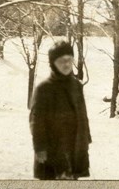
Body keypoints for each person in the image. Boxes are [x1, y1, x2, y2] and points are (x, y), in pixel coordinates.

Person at [29, 40, 92, 180]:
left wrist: (85, 140)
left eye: (69, 60)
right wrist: (40, 148)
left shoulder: (76, 86)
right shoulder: (44, 89)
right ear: (53, 63)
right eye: (62, 61)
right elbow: (36, 121)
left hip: (74, 147)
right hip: (52, 149)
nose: (66, 64)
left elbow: (82, 116)